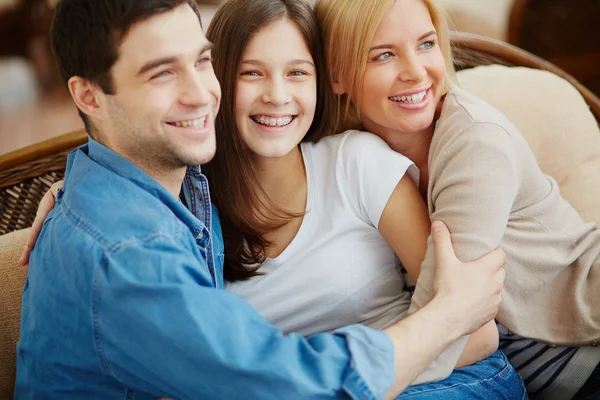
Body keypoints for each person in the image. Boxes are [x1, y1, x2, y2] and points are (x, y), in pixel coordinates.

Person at [14, 0, 506, 399]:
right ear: (89, 96)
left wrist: (72, 185)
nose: (200, 93)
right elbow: (283, 383)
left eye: (201, 62)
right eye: (162, 73)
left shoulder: (160, 191)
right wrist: (449, 314)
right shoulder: (131, 251)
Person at [314, 0, 600, 398]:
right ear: (336, 74)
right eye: (384, 55)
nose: (416, 72)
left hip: (582, 345)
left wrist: (318, 379)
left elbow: (447, 326)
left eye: (426, 44)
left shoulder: (474, 141)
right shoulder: (347, 151)